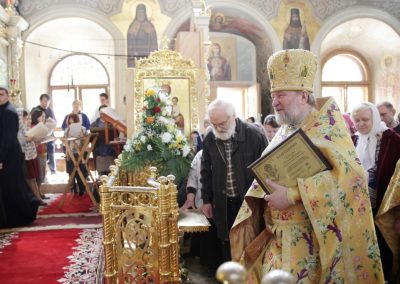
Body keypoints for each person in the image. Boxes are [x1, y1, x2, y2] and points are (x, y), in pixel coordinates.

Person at [230, 49, 384, 283]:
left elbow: (352, 180)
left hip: (312, 246)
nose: (274, 102)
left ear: (303, 95)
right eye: (273, 95)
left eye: (281, 95)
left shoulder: (327, 128)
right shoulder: (286, 128)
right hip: (276, 240)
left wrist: (292, 195)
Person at [200, 99, 268, 264]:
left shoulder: (254, 135)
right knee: (227, 243)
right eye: (214, 124)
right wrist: (206, 200)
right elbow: (206, 171)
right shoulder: (210, 138)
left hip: (248, 202)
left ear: (234, 117)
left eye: (221, 123)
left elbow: (267, 170)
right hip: (223, 202)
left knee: (250, 243)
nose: (217, 128)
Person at [351, 102, 400, 281]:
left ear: (375, 118)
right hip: (357, 203)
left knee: (381, 241)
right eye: (356, 120)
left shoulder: (392, 139)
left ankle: (384, 276)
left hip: (383, 202)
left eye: (365, 119)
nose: (361, 124)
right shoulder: (353, 140)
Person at [0, 87, 39, 228]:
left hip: (9, 155)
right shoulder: (4, 110)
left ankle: (22, 214)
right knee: (13, 186)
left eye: (1, 94)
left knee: (13, 186)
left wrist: (1, 158)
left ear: (7, 96)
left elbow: (8, 138)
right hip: (8, 153)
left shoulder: (9, 112)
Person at [17, 109, 46, 205]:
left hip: (32, 155)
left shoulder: (28, 129)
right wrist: (27, 140)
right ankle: (37, 199)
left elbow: (30, 141)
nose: (28, 120)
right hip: (25, 157)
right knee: (30, 179)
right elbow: (19, 144)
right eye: (25, 118)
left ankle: (37, 197)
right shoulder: (18, 130)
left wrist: (35, 141)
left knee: (34, 177)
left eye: (28, 118)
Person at [31, 94, 57, 175]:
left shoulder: (50, 110)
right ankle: (42, 173)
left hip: (49, 135)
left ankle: (52, 171)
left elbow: (54, 121)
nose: (46, 103)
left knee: (51, 153)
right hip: (39, 137)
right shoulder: (35, 110)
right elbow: (33, 121)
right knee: (41, 158)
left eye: (48, 101)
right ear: (41, 101)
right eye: (45, 101)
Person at [64, 113, 88, 196]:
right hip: (71, 153)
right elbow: (65, 142)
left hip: (81, 153)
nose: (71, 121)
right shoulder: (66, 130)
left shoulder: (83, 129)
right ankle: (73, 189)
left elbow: (86, 142)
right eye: (69, 120)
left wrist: (82, 137)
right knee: (72, 172)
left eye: (73, 120)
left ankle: (82, 189)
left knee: (81, 171)